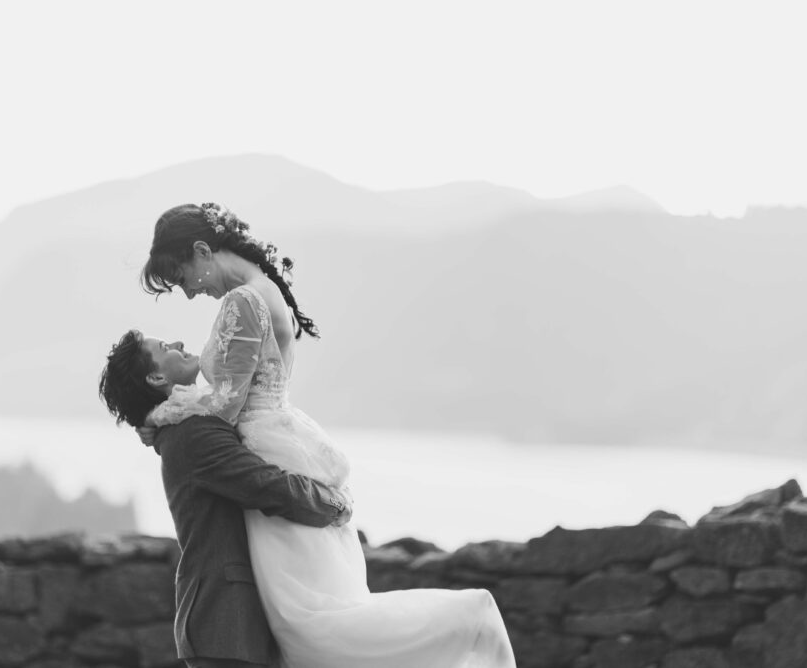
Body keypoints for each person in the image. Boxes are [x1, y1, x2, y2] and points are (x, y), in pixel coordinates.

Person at [138, 202, 516, 668]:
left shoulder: (243, 301)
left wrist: (162, 415)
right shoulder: (264, 290)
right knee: (307, 618)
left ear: (202, 251)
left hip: (265, 449)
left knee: (309, 624)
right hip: (280, 442)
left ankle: (469, 618)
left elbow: (225, 407)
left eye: (183, 278)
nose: (191, 293)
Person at [99, 330, 353, 668]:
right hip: (225, 622)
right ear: (157, 377)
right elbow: (266, 486)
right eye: (164, 347)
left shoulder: (186, 423)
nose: (176, 343)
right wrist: (333, 503)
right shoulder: (192, 434)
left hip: (228, 626)